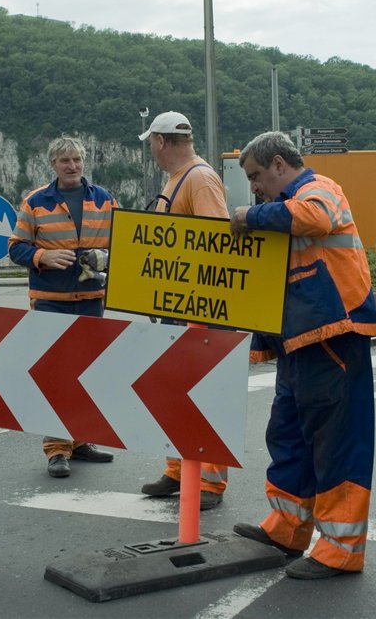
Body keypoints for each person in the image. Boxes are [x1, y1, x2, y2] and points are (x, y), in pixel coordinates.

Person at [228, 130, 376, 580]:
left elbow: (312, 218)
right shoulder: (285, 206)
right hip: (300, 339)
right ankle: (287, 527)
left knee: (336, 443)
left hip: (334, 335)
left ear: (279, 164)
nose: (254, 186)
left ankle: (341, 549)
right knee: (289, 434)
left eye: (256, 176)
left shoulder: (319, 189)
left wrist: (249, 215)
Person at [8, 136, 119, 478]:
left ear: (84, 162)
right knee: (56, 375)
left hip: (90, 302)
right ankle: (57, 449)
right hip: (50, 303)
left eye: (77, 160)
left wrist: (106, 259)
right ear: (53, 165)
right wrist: (44, 256)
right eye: (64, 160)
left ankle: (81, 440)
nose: (72, 166)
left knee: (87, 374)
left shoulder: (105, 200)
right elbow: (15, 248)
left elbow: (125, 244)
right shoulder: (36, 202)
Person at [137, 111, 231, 511]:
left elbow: (217, 243)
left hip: (198, 309)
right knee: (174, 391)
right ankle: (178, 470)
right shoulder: (178, 179)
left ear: (160, 142)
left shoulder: (200, 178)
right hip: (177, 306)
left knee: (203, 395)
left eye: (151, 145)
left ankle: (209, 482)